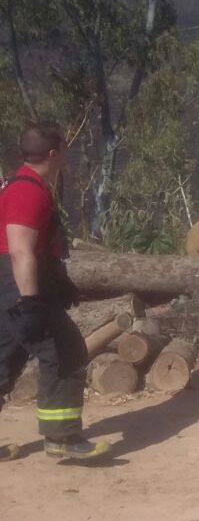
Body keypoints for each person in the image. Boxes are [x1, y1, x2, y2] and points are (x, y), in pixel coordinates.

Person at [0, 121, 110, 461]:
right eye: (65, 148)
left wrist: (58, 284)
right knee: (65, 352)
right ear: (53, 153)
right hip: (18, 288)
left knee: (5, 358)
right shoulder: (27, 191)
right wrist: (31, 303)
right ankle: (62, 438)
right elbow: (19, 249)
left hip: (13, 285)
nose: (67, 153)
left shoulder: (25, 185)